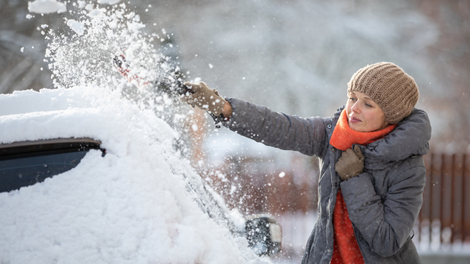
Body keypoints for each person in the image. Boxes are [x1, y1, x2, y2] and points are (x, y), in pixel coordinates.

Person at [181, 62, 431, 263]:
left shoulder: (407, 168)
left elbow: (386, 241)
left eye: (368, 104)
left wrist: (355, 178)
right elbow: (280, 127)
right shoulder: (333, 136)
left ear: (391, 115)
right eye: (352, 97)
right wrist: (224, 108)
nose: (354, 108)